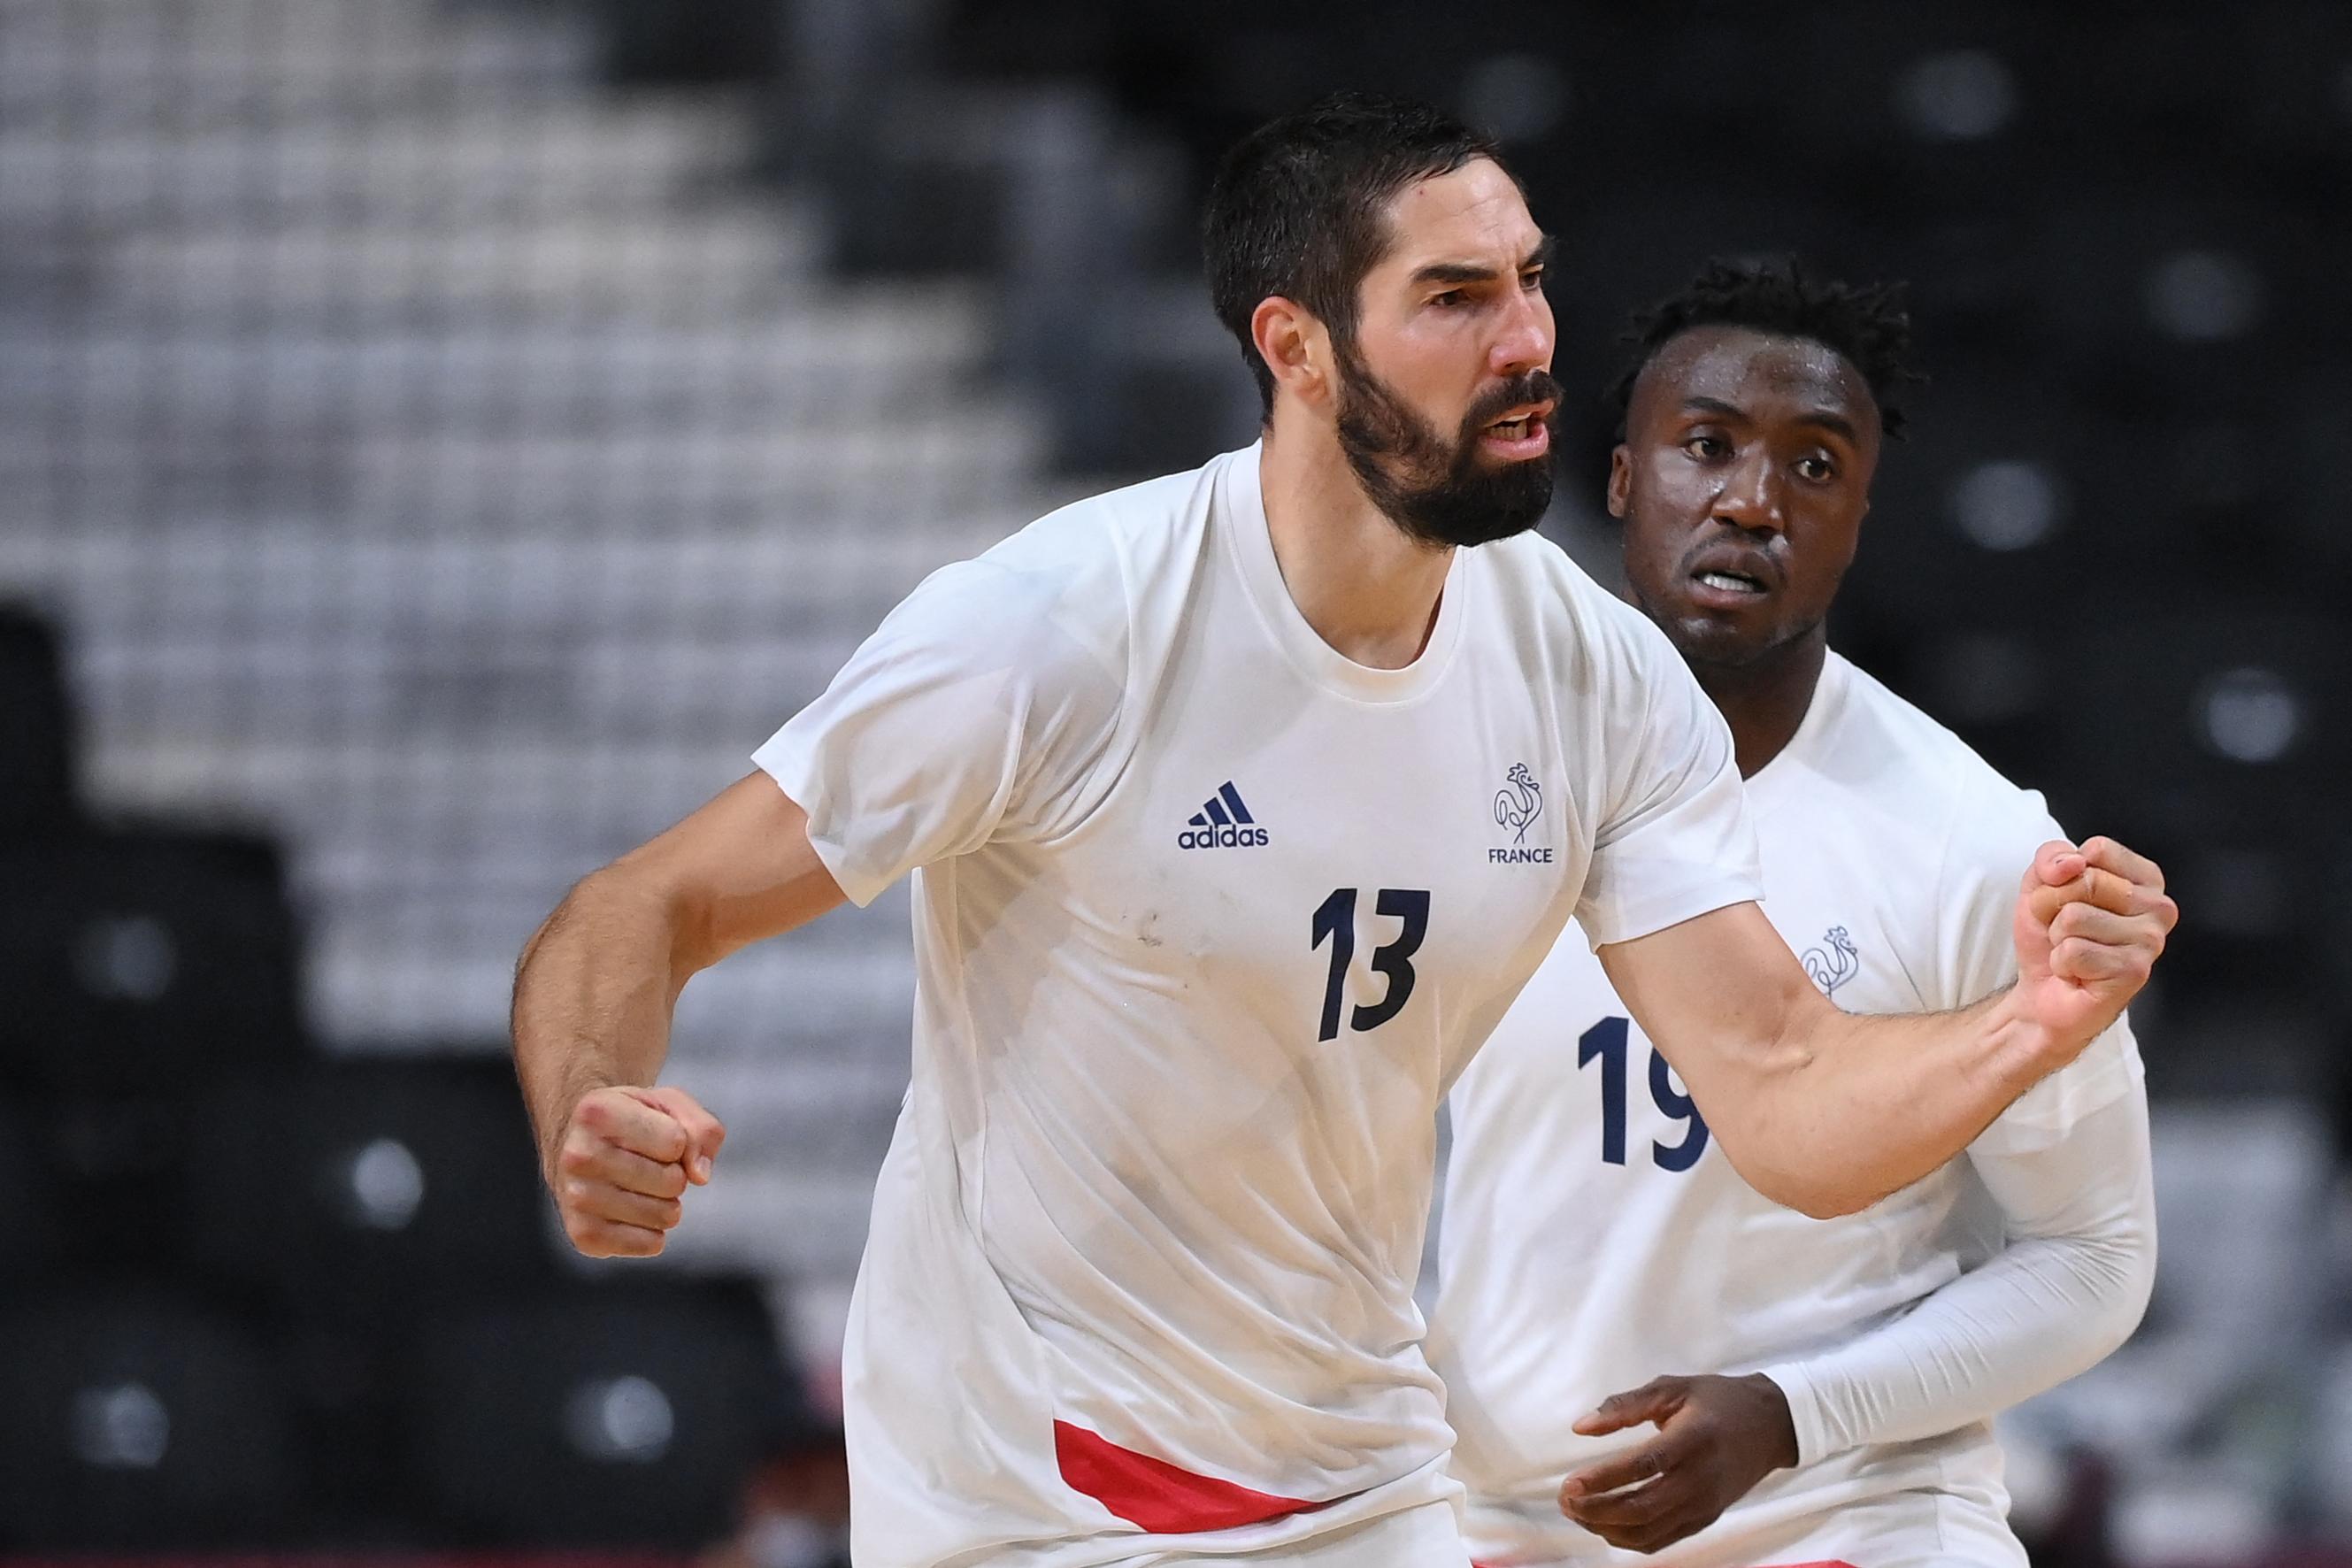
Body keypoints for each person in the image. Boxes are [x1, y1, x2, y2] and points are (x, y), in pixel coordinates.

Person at [510, 97, 2174, 1568]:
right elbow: (643, 906)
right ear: (1296, 346)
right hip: (1036, 1489)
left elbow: (1788, 1093)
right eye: (1455, 298)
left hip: (1366, 1481)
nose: (1526, 336)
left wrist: (2027, 1023)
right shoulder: (1058, 630)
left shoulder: (1588, 672)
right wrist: (593, 1101)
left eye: (1529, 278)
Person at [1428, 259, 2160, 1568]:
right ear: (1617, 484)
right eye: (1704, 448)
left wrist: (1792, 1414)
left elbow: (2092, 1258)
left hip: (1844, 1516)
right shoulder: (1464, 764)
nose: (1753, 503)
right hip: (1509, 1527)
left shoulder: (1975, 839)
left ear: (1858, 519)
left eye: (1813, 467)